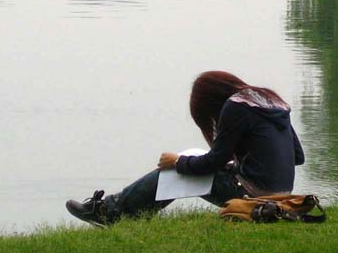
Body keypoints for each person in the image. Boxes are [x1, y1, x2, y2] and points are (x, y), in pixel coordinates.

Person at [66, 71, 305, 226]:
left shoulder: (235, 106)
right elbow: (298, 156)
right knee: (187, 167)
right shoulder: (272, 101)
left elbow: (213, 162)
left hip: (255, 196)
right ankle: (126, 214)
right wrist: (239, 165)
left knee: (176, 172)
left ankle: (109, 212)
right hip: (283, 194)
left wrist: (178, 162)